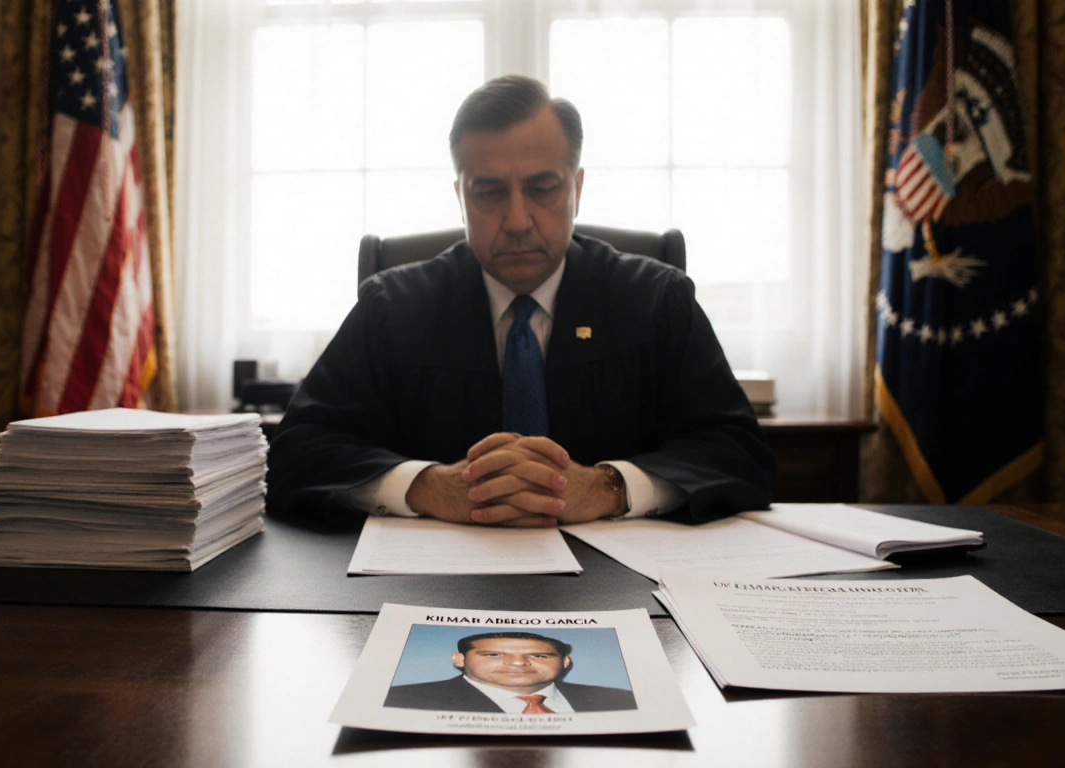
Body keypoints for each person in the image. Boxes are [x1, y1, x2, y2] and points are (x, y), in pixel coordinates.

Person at [266, 75, 774, 527]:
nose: (516, 220)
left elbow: (738, 453)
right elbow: (296, 453)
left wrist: (605, 488)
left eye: (542, 188)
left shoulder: (656, 301)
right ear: (460, 197)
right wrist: (428, 487)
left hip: (624, 584)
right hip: (430, 582)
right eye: (488, 193)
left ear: (577, 188)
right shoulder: (393, 308)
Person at [383, 631, 636, 714]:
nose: (518, 663)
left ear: (565, 662)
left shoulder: (622, 700)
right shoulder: (400, 700)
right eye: (494, 654)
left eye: (539, 656)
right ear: (459, 659)